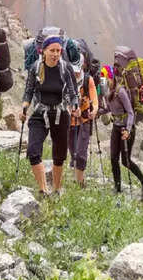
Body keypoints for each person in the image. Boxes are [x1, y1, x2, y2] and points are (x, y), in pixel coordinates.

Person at [21, 36, 80, 195]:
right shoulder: (35, 67)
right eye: (52, 50)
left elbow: (73, 93)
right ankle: (43, 190)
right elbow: (29, 90)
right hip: (40, 113)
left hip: (60, 114)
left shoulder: (65, 68)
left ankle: (56, 189)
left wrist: (75, 106)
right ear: (44, 51)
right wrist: (25, 106)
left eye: (58, 51)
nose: (55, 54)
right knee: (33, 151)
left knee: (59, 156)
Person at [107, 62, 143, 201]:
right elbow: (110, 109)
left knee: (126, 161)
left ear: (112, 78)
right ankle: (117, 187)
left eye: (106, 78)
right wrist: (96, 112)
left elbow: (131, 113)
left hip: (126, 128)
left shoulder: (120, 91)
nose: (104, 81)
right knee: (113, 158)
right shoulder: (108, 92)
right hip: (116, 127)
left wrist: (127, 130)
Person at [68, 55, 98, 186]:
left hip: (85, 120)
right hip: (70, 121)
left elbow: (95, 100)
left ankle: (80, 183)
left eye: (77, 69)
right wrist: (70, 110)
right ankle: (78, 179)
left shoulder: (88, 80)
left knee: (80, 153)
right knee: (73, 152)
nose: (75, 72)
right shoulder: (66, 78)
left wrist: (94, 110)